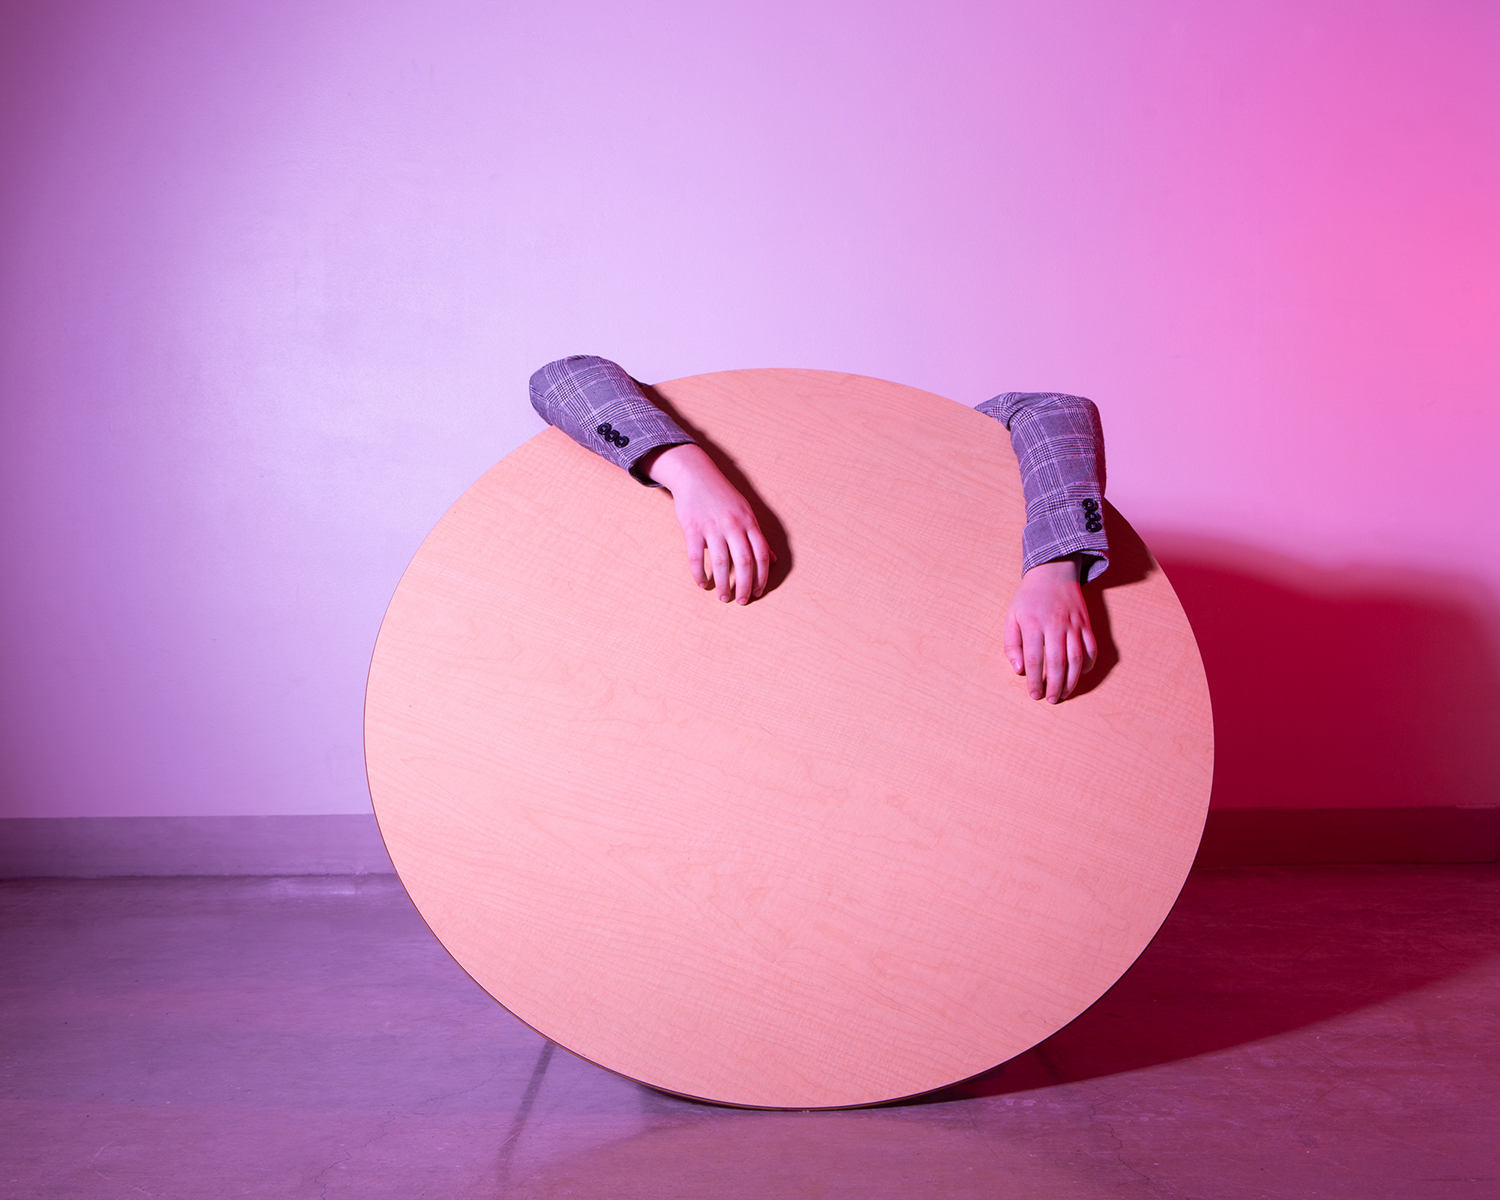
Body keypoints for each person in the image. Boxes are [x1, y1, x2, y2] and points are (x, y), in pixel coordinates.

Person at [529, 355, 1109, 704]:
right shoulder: (749, 474)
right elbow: (561, 377)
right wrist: (688, 473)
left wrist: (1056, 568)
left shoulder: (919, 477)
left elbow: (1051, 409)